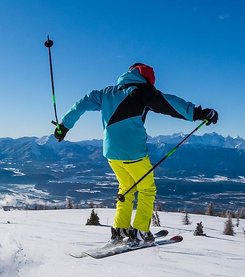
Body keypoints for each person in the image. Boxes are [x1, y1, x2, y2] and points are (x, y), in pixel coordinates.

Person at [54, 63, 218, 246]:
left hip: (111, 154)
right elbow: (168, 104)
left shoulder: (107, 93)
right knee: (147, 190)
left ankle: (120, 230)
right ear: (147, 78)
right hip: (134, 154)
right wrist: (198, 113)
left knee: (126, 188)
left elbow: (81, 103)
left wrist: (64, 126)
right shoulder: (142, 91)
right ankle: (140, 233)